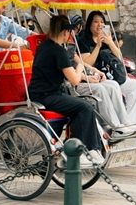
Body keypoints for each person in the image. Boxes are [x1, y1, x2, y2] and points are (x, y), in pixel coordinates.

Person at [27, 14, 104, 168]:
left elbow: (67, 74)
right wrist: (80, 66)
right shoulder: (58, 51)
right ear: (65, 32)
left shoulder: (44, 46)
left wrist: (83, 75)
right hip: (46, 96)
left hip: (43, 92)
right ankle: (82, 150)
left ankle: (86, 147)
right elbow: (74, 79)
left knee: (82, 106)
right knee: (85, 107)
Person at [76, 11, 136, 126]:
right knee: (113, 86)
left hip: (113, 74)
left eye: (102, 22)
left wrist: (110, 42)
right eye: (96, 22)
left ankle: (133, 121)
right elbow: (88, 62)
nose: (99, 25)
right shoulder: (84, 41)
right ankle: (120, 122)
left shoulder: (106, 38)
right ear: (90, 24)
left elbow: (119, 57)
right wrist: (97, 46)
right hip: (99, 77)